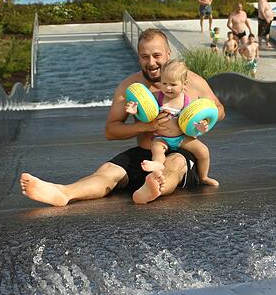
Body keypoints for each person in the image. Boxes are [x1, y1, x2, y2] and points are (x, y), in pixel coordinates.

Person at [20, 29, 225, 206]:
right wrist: (146, 127)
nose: (151, 62)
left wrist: (202, 119)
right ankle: (64, 193)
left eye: (157, 55)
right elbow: (111, 130)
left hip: (181, 150)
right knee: (107, 171)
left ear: (168, 53)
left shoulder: (190, 80)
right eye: (145, 56)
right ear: (138, 57)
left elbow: (218, 109)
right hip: (146, 151)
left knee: (175, 165)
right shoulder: (130, 87)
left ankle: (153, 188)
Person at [126, 60, 219, 186]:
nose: (168, 88)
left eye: (173, 84)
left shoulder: (187, 101)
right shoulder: (157, 98)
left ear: (184, 84)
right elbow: (146, 114)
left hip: (182, 137)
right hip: (161, 138)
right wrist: (135, 110)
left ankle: (203, 176)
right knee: (157, 150)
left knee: (203, 151)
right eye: (164, 83)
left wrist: (201, 126)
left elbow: (195, 121)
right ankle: (158, 166)